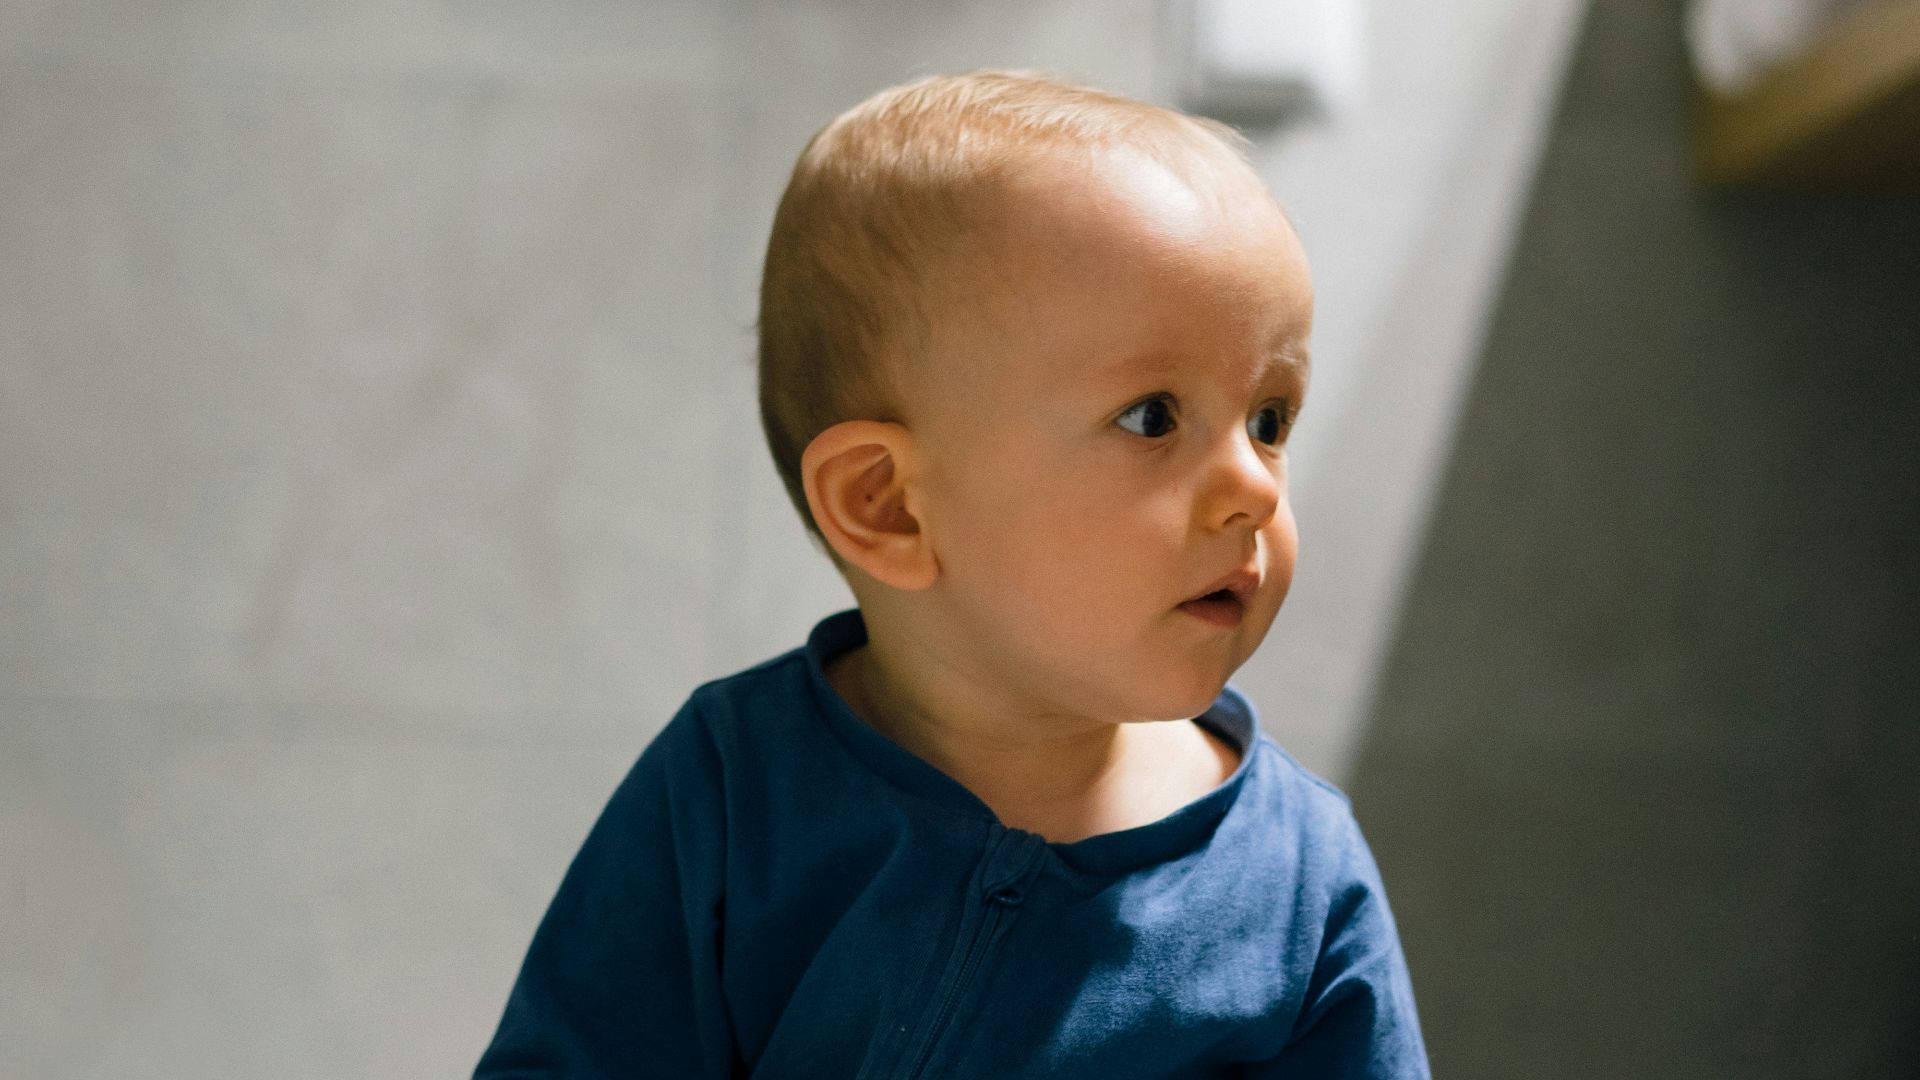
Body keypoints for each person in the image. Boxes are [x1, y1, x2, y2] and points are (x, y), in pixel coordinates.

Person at [474, 68, 1430, 1078]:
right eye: (1153, 417)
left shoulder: (1298, 886)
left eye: (1270, 419)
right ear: (887, 504)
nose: (1253, 485)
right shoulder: (735, 793)